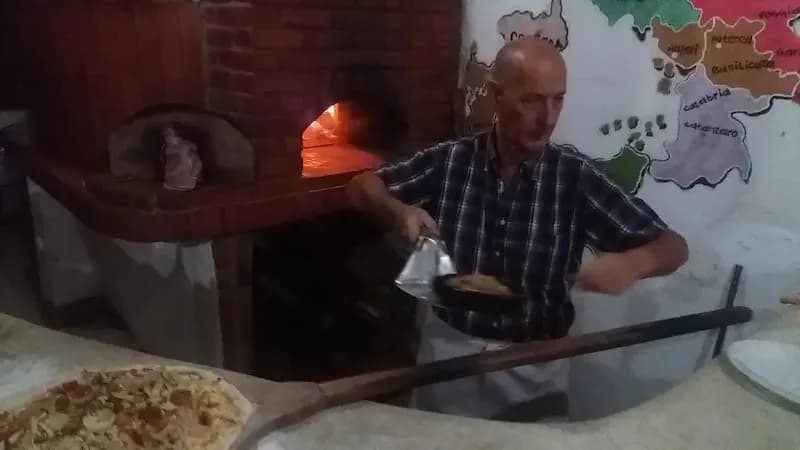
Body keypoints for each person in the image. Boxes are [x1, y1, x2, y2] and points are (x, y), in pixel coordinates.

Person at [346, 37, 688, 420]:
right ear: (496, 95)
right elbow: (361, 186)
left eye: (558, 99)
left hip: (535, 366)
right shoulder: (452, 161)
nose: (548, 118)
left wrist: (633, 264)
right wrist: (399, 212)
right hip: (448, 354)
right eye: (532, 100)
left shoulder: (575, 178)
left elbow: (674, 247)